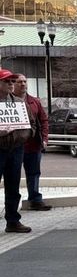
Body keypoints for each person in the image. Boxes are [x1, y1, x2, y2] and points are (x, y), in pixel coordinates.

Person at [12, 73, 51, 211]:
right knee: (12, 176)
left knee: (34, 173)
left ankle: (35, 199)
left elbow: (44, 121)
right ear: (12, 84)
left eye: (24, 81)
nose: (23, 84)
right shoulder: (6, 102)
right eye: (19, 82)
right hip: (14, 146)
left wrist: (45, 139)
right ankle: (11, 205)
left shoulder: (35, 101)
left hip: (33, 145)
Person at [0, 69, 32, 233]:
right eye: (7, 81)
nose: (11, 84)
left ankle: (13, 221)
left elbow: (31, 124)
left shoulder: (20, 102)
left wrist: (24, 136)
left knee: (13, 187)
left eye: (13, 81)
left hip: (16, 149)